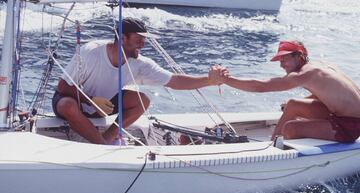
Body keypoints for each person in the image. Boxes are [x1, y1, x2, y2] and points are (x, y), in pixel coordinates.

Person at [52, 17, 218, 145]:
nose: (143, 45)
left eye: (144, 40)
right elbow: (62, 87)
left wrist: (209, 81)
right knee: (67, 104)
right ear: (122, 38)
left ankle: (109, 138)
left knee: (142, 100)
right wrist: (91, 100)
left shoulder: (139, 63)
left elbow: (174, 81)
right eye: (139, 40)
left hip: (105, 106)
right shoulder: (91, 52)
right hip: (77, 101)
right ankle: (101, 144)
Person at [209, 40, 360, 143]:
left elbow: (261, 87)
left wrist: (225, 80)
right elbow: (330, 95)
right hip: (345, 115)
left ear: (299, 56)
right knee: (292, 104)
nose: (281, 65)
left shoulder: (304, 74)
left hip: (350, 126)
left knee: (290, 128)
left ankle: (276, 153)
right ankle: (272, 144)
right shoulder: (321, 67)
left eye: (284, 59)